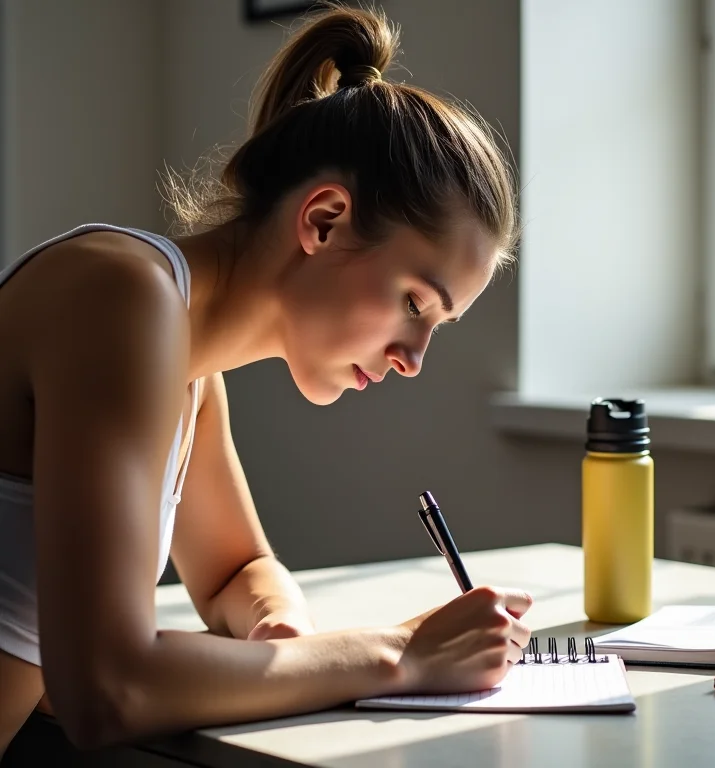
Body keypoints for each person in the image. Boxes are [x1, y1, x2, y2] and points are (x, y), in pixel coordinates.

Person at [0, 5, 531, 755]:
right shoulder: (121, 299)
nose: (413, 359)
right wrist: (399, 656)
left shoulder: (187, 366)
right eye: (415, 302)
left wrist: (274, 623)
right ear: (322, 221)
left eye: (436, 327)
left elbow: (232, 572)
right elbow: (107, 687)